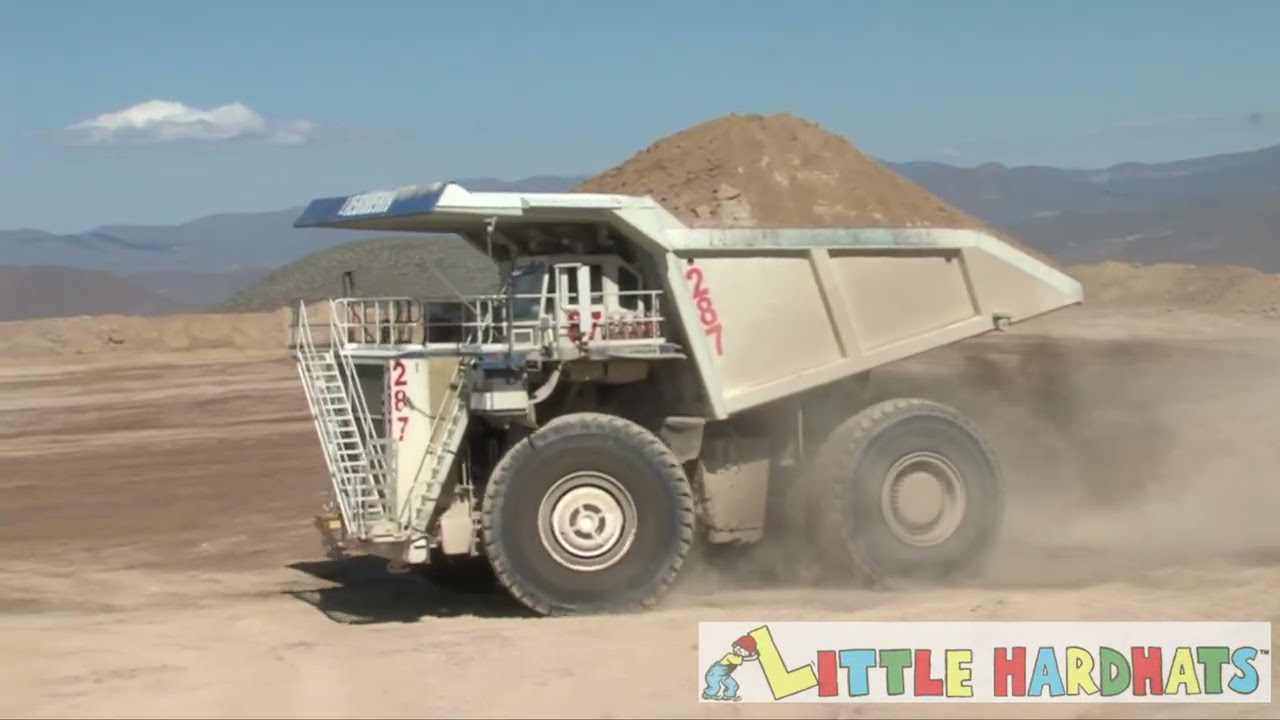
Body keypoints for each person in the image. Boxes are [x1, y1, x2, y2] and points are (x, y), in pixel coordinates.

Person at [702, 635, 759, 701]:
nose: (740, 650)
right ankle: (707, 695)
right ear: (734, 645)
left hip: (725, 675)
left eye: (745, 649)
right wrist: (754, 657)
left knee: (733, 685)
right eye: (739, 647)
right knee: (715, 688)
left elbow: (744, 658)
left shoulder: (738, 657)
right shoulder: (730, 656)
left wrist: (753, 655)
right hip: (714, 674)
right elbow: (745, 659)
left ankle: (728, 696)